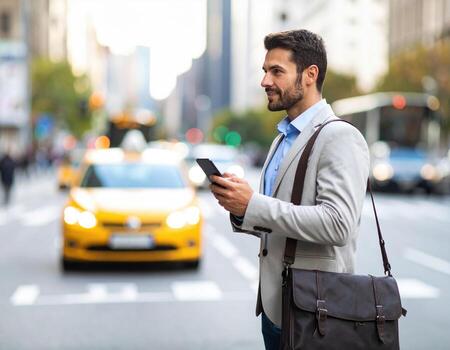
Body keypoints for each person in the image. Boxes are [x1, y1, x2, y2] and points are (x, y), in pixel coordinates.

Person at [210, 29, 369, 350]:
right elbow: (280, 222)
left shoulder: (339, 137)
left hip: (316, 311)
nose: (265, 81)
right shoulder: (282, 139)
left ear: (310, 75)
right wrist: (240, 208)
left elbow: (338, 224)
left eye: (276, 71)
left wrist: (253, 205)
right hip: (276, 308)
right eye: (264, 71)